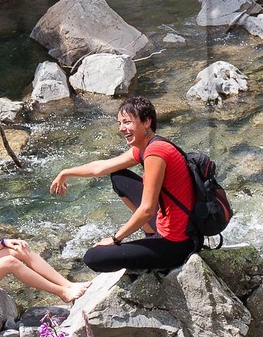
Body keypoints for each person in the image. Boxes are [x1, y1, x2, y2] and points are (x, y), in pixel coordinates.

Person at [48, 94, 200, 274]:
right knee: (118, 176)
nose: (121, 128)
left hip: (177, 243)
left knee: (93, 257)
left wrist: (115, 239)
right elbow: (102, 167)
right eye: (119, 123)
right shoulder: (147, 146)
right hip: (171, 224)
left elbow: (147, 209)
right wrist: (66, 172)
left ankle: (155, 243)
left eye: (127, 122)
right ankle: (151, 233)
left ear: (146, 122)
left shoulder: (156, 153)